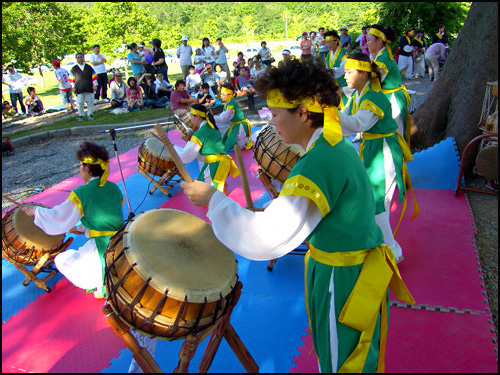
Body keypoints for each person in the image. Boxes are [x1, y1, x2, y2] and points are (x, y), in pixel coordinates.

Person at [180, 58, 415, 373]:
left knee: (344, 363)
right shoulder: (333, 145)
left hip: (343, 281)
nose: (272, 123)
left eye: (276, 114)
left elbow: (267, 236)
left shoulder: (320, 163)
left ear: (303, 113)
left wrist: (214, 200)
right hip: (346, 270)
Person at [339, 52, 419, 263]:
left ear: (363, 74)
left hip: (384, 150)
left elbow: (357, 125)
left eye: (348, 72)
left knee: (376, 201)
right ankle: (381, 244)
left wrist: (327, 114)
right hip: (373, 147)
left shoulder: (373, 96)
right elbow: (347, 122)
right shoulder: (359, 94)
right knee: (373, 200)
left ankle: (392, 250)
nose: (345, 76)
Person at [21, 141, 124, 299]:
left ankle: (98, 281)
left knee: (62, 259)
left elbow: (58, 217)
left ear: (87, 167)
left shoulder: (82, 193)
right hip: (123, 244)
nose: (80, 169)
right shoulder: (113, 187)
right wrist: (83, 228)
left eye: (80, 166)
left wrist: (34, 211)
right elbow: (105, 216)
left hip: (102, 249)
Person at [366, 25, 412, 145]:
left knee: (394, 134)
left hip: (393, 99)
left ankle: (398, 161)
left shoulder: (383, 59)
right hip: (388, 97)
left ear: (379, 40)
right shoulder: (381, 55)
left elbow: (368, 81)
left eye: (369, 40)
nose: (367, 44)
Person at [215, 82, 252, 151]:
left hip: (240, 127)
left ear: (230, 95)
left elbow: (223, 118)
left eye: (223, 94)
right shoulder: (228, 103)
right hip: (236, 125)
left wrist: (211, 118)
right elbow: (224, 115)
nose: (221, 96)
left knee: (237, 146)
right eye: (221, 94)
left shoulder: (231, 104)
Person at [68, 52, 98, 121]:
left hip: (89, 87)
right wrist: (72, 87)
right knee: (80, 103)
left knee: (90, 102)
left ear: (83, 58)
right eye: (78, 57)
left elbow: (94, 77)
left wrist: (95, 85)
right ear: (76, 59)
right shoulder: (74, 69)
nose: (79, 59)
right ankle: (81, 115)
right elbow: (71, 79)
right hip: (79, 88)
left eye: (81, 57)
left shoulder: (89, 67)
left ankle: (90, 114)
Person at [324, 30, 348, 108]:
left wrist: (326, 72)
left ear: (337, 41)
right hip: (333, 88)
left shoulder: (344, 54)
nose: (328, 45)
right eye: (326, 42)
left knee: (345, 109)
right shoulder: (328, 55)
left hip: (343, 87)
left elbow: (342, 70)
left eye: (330, 42)